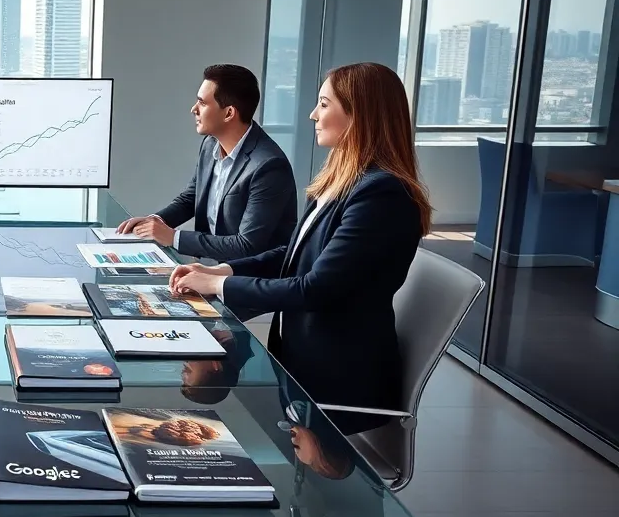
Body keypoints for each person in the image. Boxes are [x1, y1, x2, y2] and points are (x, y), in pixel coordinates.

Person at [170, 62, 432, 434]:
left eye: (324, 104)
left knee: (208, 428)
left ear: (360, 115)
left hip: (333, 385)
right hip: (297, 365)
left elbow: (315, 288)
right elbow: (293, 255)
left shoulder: (381, 194)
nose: (313, 114)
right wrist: (223, 272)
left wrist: (218, 287)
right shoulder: (344, 179)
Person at [118, 64, 296, 261]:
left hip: (249, 281)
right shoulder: (210, 143)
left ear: (229, 113)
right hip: (212, 269)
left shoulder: (268, 166)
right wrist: (155, 221)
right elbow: (192, 197)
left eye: (202, 103)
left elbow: (247, 245)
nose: (194, 109)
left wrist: (172, 237)